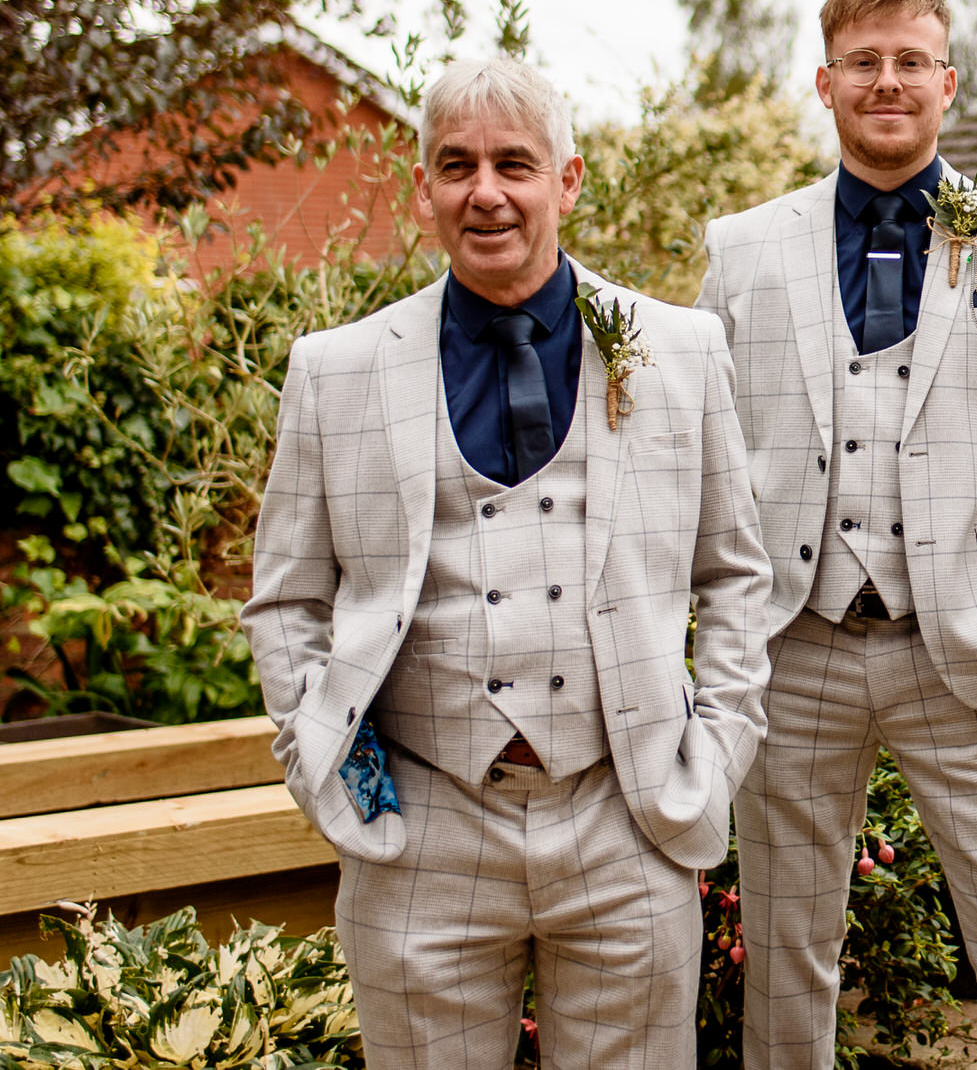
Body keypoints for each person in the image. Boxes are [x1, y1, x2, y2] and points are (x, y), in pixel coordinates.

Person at [243, 57, 774, 1067]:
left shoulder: (679, 349)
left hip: (629, 816)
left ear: (566, 180)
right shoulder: (336, 368)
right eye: (457, 165)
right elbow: (286, 598)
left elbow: (737, 575)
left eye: (514, 164)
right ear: (426, 190)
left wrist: (712, 762)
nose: (484, 191)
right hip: (422, 830)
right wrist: (330, 770)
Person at [697, 0, 977, 1070]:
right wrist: (728, 614)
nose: (889, 80)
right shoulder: (741, 247)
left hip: (968, 640)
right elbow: (701, 439)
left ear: (948, 80)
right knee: (787, 942)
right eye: (865, 61)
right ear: (825, 81)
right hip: (797, 643)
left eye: (910, 59)